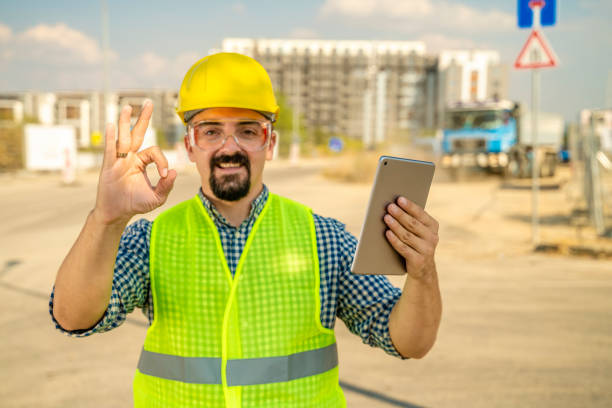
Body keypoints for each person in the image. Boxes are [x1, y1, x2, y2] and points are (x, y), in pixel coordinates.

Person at [50, 52, 442, 407]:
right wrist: (106, 219)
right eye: (211, 130)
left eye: (248, 130)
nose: (229, 146)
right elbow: (74, 317)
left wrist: (423, 274)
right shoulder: (151, 239)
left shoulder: (325, 239)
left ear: (269, 142)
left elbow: (409, 341)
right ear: (190, 145)